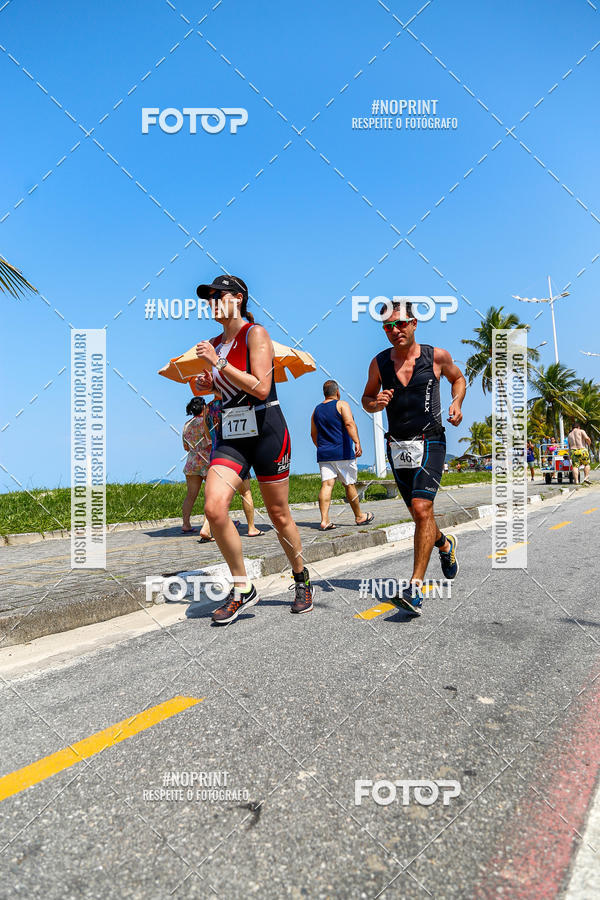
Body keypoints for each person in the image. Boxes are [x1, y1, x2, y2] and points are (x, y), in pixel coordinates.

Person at [194, 274, 314, 624]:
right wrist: (208, 384)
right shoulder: (216, 342)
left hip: (266, 429)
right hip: (232, 433)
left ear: (239, 298)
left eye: (219, 295)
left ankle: (301, 577)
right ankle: (242, 586)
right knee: (215, 509)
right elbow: (225, 390)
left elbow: (261, 388)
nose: (213, 302)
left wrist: (218, 365)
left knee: (278, 515)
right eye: (209, 297)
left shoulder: (255, 334)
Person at [361, 299, 466, 616]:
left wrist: (457, 403)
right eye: (388, 327)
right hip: (398, 447)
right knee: (421, 516)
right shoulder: (379, 363)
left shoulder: (436, 357)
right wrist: (375, 402)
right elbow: (366, 398)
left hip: (430, 440)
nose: (395, 331)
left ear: (414, 323)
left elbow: (458, 378)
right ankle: (445, 546)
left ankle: (414, 589)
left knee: (422, 509)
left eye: (400, 324)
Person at [310, 379, 374, 531]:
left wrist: (323, 447)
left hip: (324, 454)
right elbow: (349, 424)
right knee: (349, 484)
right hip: (343, 452)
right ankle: (359, 516)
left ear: (324, 393)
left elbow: (313, 433)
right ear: (337, 392)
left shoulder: (316, 410)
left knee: (326, 484)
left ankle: (325, 520)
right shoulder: (342, 404)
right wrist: (357, 441)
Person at [203, 394, 263, 539]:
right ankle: (251, 527)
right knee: (245, 493)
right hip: (235, 454)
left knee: (215, 495)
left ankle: (207, 527)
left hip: (216, 453)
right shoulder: (233, 403)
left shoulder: (208, 408)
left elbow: (207, 434)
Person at [181, 397, 213, 539]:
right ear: (204, 407)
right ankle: (207, 526)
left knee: (190, 496)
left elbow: (186, 447)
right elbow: (210, 441)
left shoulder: (186, 425)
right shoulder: (205, 422)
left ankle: (186, 524)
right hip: (207, 461)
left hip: (192, 462)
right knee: (210, 495)